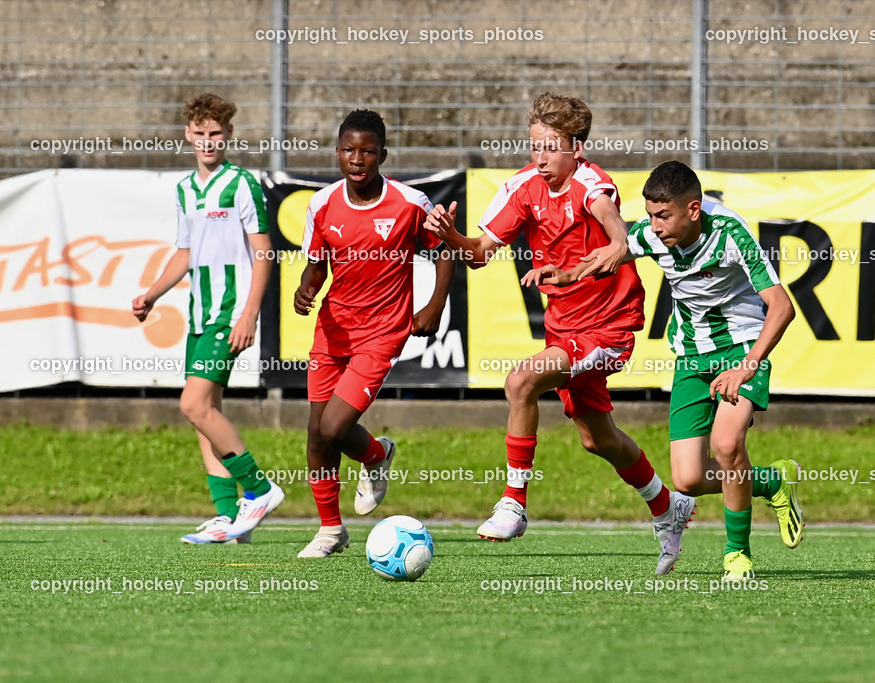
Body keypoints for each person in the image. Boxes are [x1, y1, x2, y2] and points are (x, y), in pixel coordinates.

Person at [425, 93, 695, 575]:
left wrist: (608, 252)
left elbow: (617, 231)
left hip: (610, 329)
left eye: (552, 147)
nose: (541, 157)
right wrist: (450, 236)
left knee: (521, 381)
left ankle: (513, 503)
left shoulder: (593, 185)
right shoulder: (522, 188)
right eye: (535, 147)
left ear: (577, 147)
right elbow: (480, 252)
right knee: (599, 440)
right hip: (565, 331)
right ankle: (666, 506)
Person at [524, 160, 803, 581]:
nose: (653, 226)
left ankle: (737, 555)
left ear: (693, 210)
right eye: (650, 215)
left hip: (742, 349)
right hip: (691, 358)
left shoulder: (730, 234)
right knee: (688, 480)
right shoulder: (653, 234)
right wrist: (566, 275)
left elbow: (782, 307)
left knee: (727, 446)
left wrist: (747, 367)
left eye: (663, 215)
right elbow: (613, 252)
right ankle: (772, 481)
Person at [293, 109, 454, 558]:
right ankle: (330, 531)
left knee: (335, 426)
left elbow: (445, 252)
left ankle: (376, 456)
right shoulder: (322, 203)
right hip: (333, 329)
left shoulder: (410, 203)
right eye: (348, 150)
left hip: (383, 331)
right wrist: (307, 284)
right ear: (337, 153)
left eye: (367, 151)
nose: (357, 159)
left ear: (383, 154)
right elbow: (316, 261)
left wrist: (434, 305)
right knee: (316, 434)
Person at [132, 92, 283, 544]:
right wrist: (153, 295)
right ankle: (227, 516)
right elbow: (184, 252)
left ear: (229, 134)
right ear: (188, 135)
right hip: (199, 314)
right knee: (205, 412)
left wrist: (249, 313)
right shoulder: (184, 190)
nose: (208, 141)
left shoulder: (242, 184)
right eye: (200, 134)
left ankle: (259, 488)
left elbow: (264, 253)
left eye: (216, 133)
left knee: (192, 404)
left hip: (228, 313)